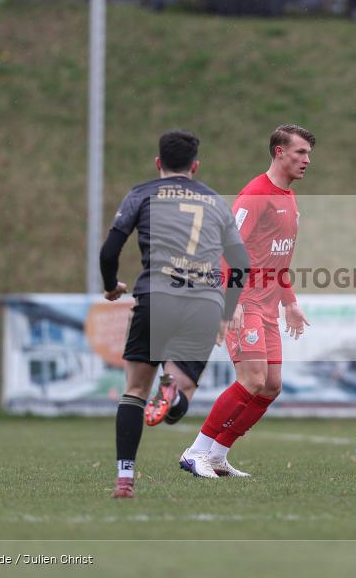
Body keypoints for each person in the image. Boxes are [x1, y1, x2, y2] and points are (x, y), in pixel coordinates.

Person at [99, 130, 250, 498]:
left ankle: (124, 478)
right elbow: (242, 265)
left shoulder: (142, 194)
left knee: (134, 391)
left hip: (156, 297)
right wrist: (226, 313)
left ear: (158, 163)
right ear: (195, 166)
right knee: (179, 401)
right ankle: (173, 391)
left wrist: (110, 285)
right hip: (204, 303)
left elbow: (109, 252)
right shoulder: (215, 202)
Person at [180, 125, 315, 479]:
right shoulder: (256, 195)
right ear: (279, 152)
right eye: (300, 152)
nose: (307, 160)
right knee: (252, 378)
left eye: (308, 154)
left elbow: (278, 259)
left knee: (271, 385)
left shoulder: (288, 197)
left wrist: (290, 302)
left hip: (269, 306)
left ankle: (219, 454)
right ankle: (196, 452)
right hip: (245, 302)